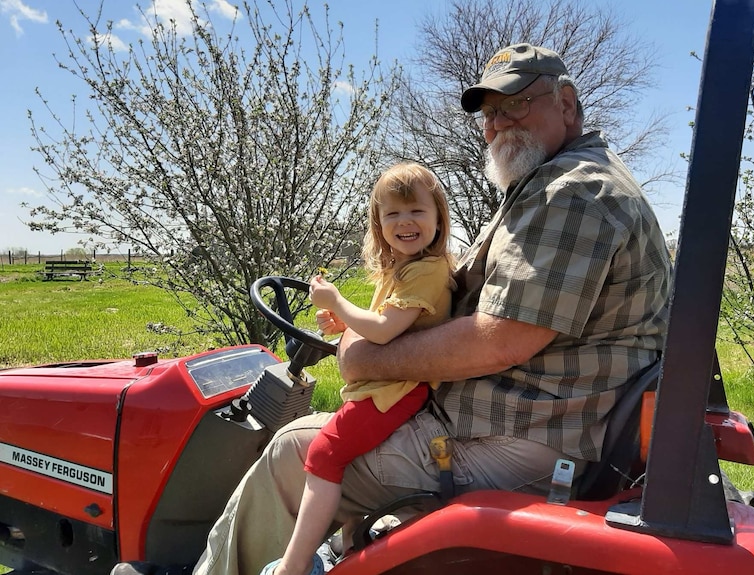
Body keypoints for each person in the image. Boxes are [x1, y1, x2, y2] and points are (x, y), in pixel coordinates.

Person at [113, 42, 671, 575]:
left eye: (518, 104)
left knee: (291, 452)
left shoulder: (573, 192)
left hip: (520, 439)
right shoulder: (551, 188)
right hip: (523, 422)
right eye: (490, 112)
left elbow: (502, 338)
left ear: (567, 104)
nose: (499, 123)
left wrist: (363, 360)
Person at [263, 162, 455, 575]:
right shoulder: (404, 270)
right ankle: (350, 545)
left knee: (324, 453)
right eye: (393, 214)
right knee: (342, 454)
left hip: (396, 390)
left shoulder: (427, 271)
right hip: (383, 386)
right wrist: (345, 322)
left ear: (438, 218)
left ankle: (292, 567)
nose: (405, 222)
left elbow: (385, 332)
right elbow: (386, 322)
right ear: (378, 222)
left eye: (416, 211)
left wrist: (337, 304)